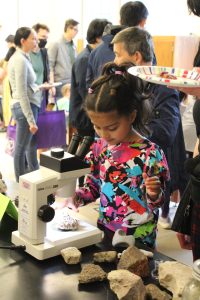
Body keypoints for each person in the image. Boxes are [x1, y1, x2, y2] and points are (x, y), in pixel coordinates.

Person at [64, 62, 169, 249]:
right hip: (106, 228)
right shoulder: (99, 147)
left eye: (112, 128)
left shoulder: (150, 153)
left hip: (139, 236)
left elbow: (157, 202)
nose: (104, 134)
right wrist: (79, 195)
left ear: (131, 116)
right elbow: (95, 183)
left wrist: (154, 194)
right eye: (97, 127)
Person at [112, 27, 188, 229]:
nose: (115, 61)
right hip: (126, 170)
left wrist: (127, 136)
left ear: (136, 56)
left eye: (118, 55)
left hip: (149, 173)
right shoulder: (127, 84)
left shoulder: (163, 88)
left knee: (141, 233)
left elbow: (165, 133)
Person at [8, 27, 51, 182]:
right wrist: (31, 120)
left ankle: (33, 177)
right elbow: (21, 92)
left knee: (29, 145)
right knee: (20, 148)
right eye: (33, 38)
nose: (36, 41)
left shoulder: (22, 57)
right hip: (24, 107)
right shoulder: (19, 59)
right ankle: (22, 182)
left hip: (28, 105)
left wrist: (40, 87)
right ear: (23, 40)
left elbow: (26, 86)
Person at [69, 18, 111, 138]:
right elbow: (85, 92)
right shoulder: (85, 58)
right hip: (83, 116)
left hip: (88, 114)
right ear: (98, 37)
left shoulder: (92, 55)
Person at [48, 19, 79, 99]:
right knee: (61, 109)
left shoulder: (73, 46)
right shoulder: (56, 44)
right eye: (75, 29)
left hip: (72, 83)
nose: (77, 32)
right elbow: (50, 66)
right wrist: (52, 85)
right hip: (60, 85)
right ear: (69, 29)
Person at [31, 23, 50, 111]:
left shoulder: (43, 52)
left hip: (41, 96)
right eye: (42, 36)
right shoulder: (26, 54)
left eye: (46, 38)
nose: (44, 40)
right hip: (30, 97)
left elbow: (45, 72)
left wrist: (47, 82)